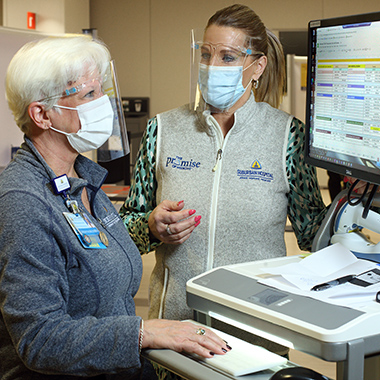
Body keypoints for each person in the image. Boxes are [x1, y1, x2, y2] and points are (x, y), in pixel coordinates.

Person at [0, 35, 230, 380]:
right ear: (41, 114)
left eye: (101, 90)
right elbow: (39, 338)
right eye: (88, 94)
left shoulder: (83, 181)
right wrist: (144, 332)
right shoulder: (23, 201)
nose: (102, 104)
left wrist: (152, 227)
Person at [119, 4, 327, 355]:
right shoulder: (162, 130)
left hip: (257, 341)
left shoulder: (287, 136)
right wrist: (151, 227)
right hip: (173, 337)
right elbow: (125, 228)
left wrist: (352, 200)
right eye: (205, 54)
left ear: (257, 66)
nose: (212, 67)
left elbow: (312, 235)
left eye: (228, 57)